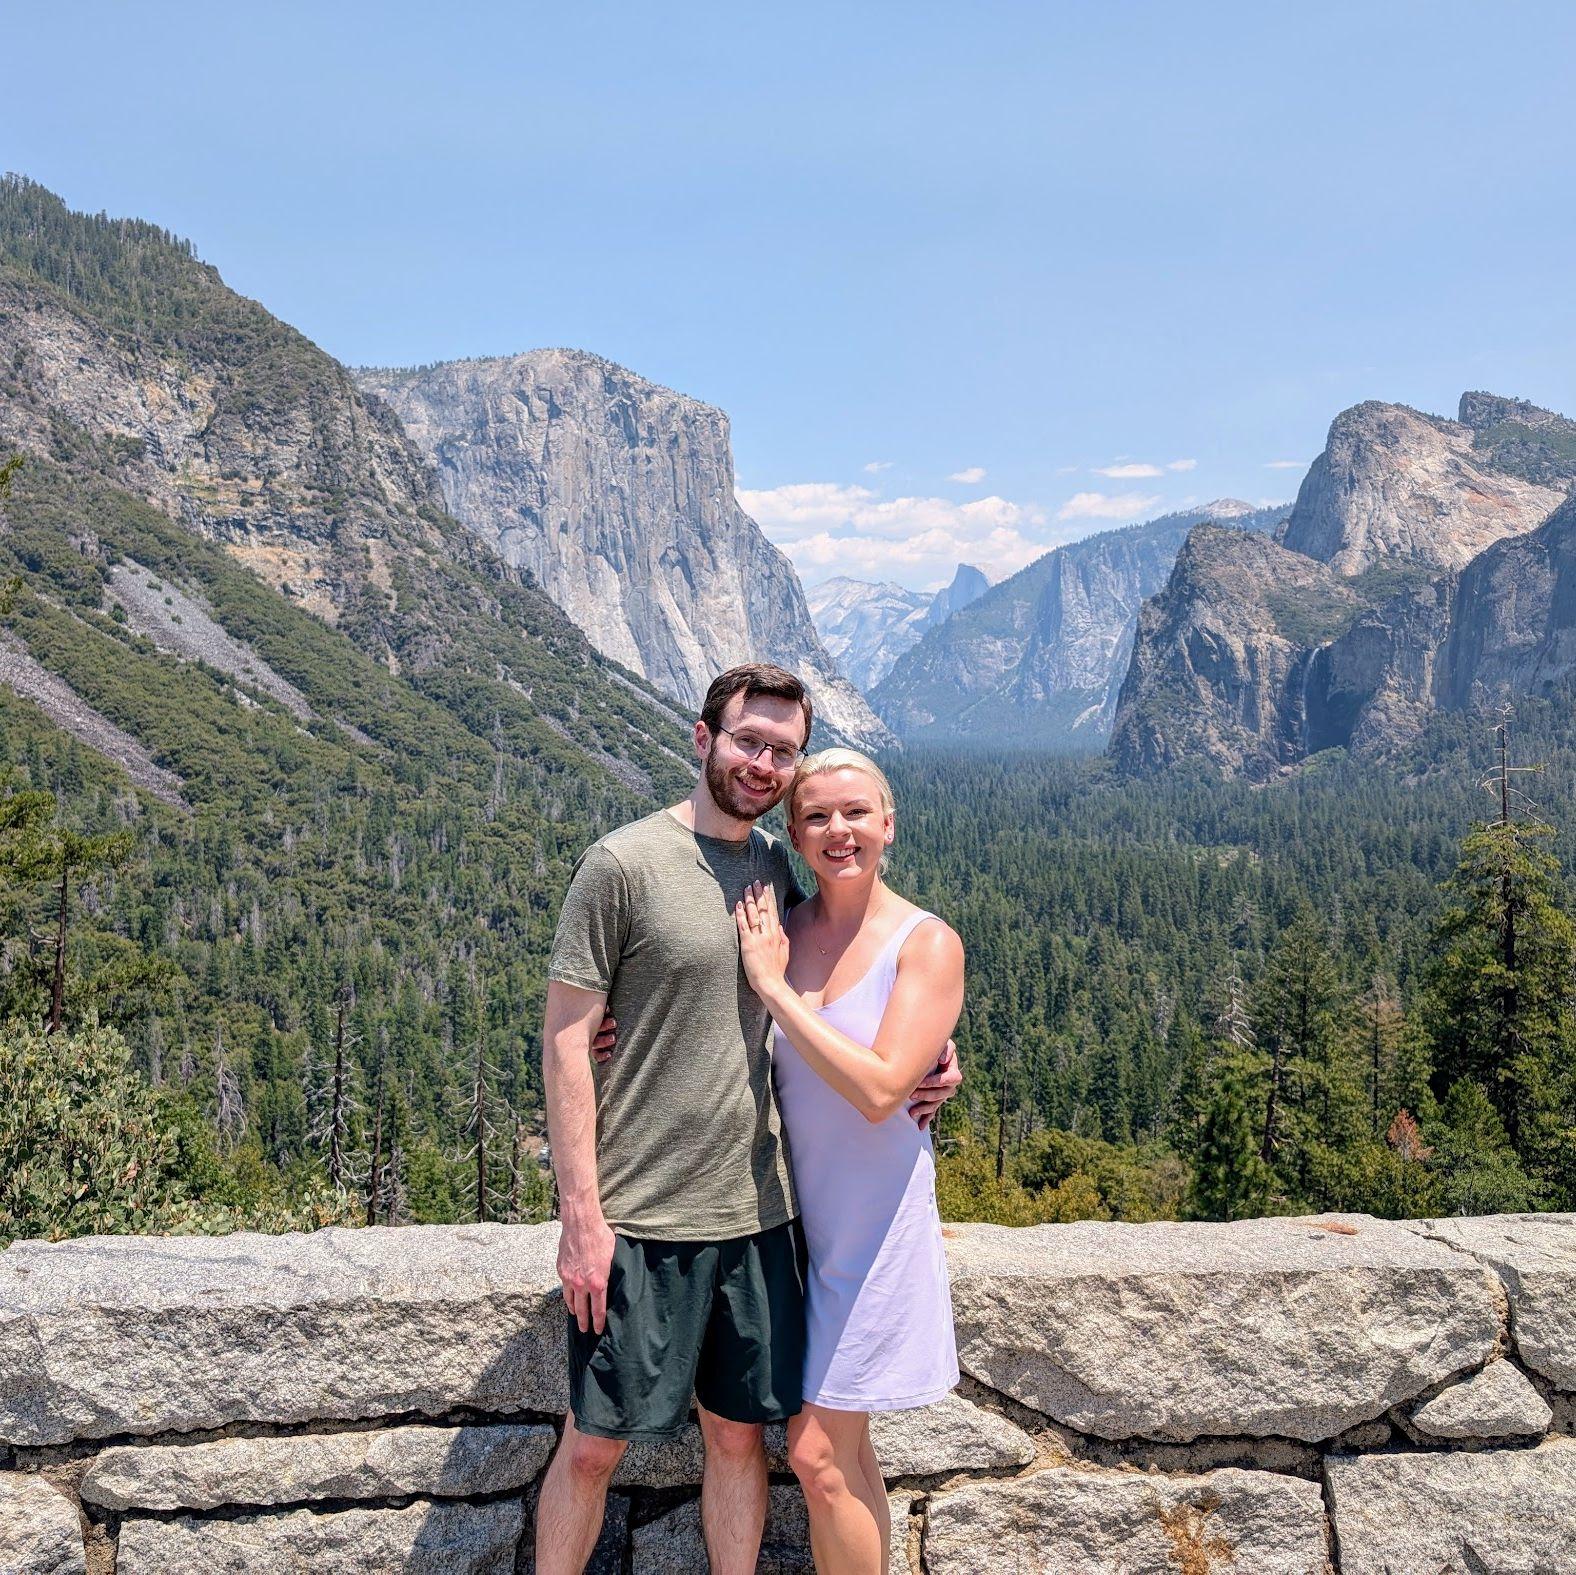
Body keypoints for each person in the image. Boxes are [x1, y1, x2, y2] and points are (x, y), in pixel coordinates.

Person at [534, 665, 960, 1575]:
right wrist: (581, 1215)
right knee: (591, 1444)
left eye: (783, 750)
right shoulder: (622, 864)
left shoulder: (774, 872)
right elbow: (566, 1040)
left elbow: (857, 992)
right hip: (641, 1216)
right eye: (748, 741)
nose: (764, 763)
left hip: (762, 1221)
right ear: (703, 739)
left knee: (740, 1443)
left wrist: (937, 1057)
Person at [734, 747, 964, 1574]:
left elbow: (877, 1092)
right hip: (797, 1235)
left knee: (818, 1455)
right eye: (818, 815)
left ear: (889, 822)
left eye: (857, 812)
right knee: (847, 1456)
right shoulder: (782, 930)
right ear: (793, 833)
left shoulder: (926, 943)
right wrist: (601, 1036)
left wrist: (775, 989)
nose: (840, 830)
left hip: (878, 1236)